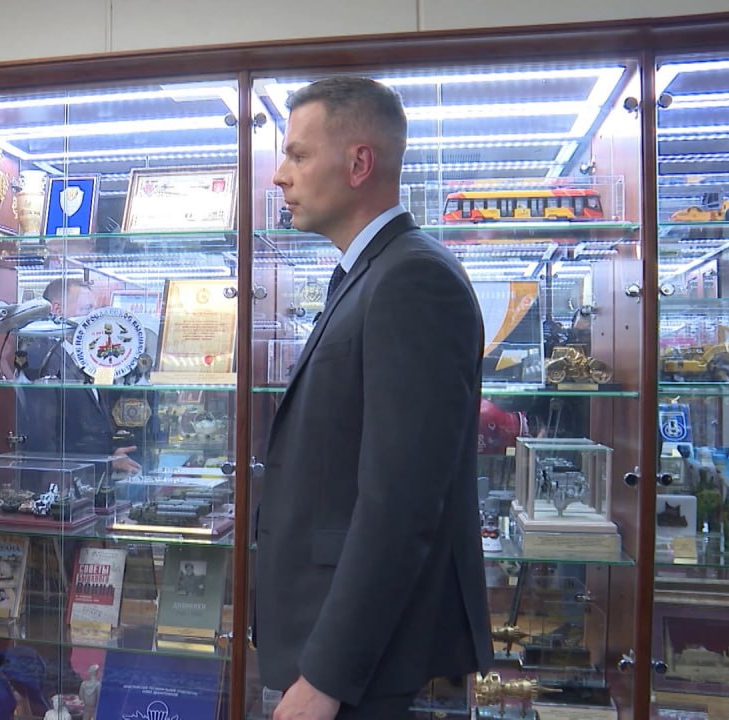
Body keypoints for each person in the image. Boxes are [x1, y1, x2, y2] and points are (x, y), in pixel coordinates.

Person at [254, 77, 492, 720]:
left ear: (359, 163)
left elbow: (401, 502)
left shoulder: (412, 279)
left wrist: (326, 677)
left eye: (298, 154)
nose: (280, 175)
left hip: (370, 668)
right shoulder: (371, 273)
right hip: (341, 644)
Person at [17, 277, 148, 476]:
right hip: (64, 480)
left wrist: (109, 457)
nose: (93, 318)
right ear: (57, 310)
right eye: (87, 310)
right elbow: (44, 436)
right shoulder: (41, 357)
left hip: (89, 478)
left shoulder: (85, 357)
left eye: (94, 310)